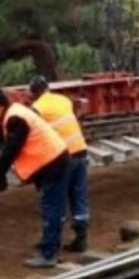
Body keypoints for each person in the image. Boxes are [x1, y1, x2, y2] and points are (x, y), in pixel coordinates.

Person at [0, 89, 69, 268]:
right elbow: (2, 133)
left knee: (50, 207)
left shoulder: (15, 118)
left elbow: (11, 148)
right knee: (51, 206)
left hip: (52, 162)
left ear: (0, 107)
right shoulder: (14, 113)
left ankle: (49, 254)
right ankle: (49, 246)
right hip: (53, 160)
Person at [27, 77, 90, 253]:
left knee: (53, 200)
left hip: (61, 157)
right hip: (81, 151)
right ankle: (81, 239)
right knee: (79, 196)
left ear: (33, 93)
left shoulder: (37, 108)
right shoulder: (63, 100)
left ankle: (50, 246)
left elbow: (33, 137)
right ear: (47, 88)